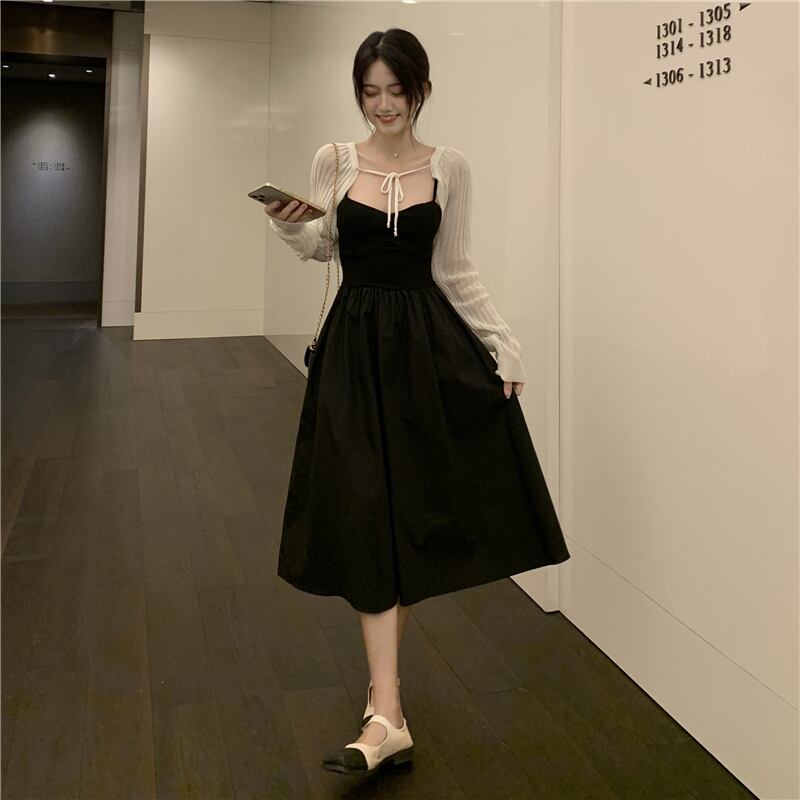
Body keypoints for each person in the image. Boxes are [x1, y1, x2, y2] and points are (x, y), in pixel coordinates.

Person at [265, 28, 571, 776]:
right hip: (354, 349)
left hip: (424, 350)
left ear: (420, 90)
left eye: (396, 91)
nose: (383, 106)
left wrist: (502, 343)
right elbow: (326, 249)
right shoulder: (335, 160)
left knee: (404, 517)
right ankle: (387, 712)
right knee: (367, 510)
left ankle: (385, 709)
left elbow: (455, 269)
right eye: (370, 92)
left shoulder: (450, 167)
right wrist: (290, 225)